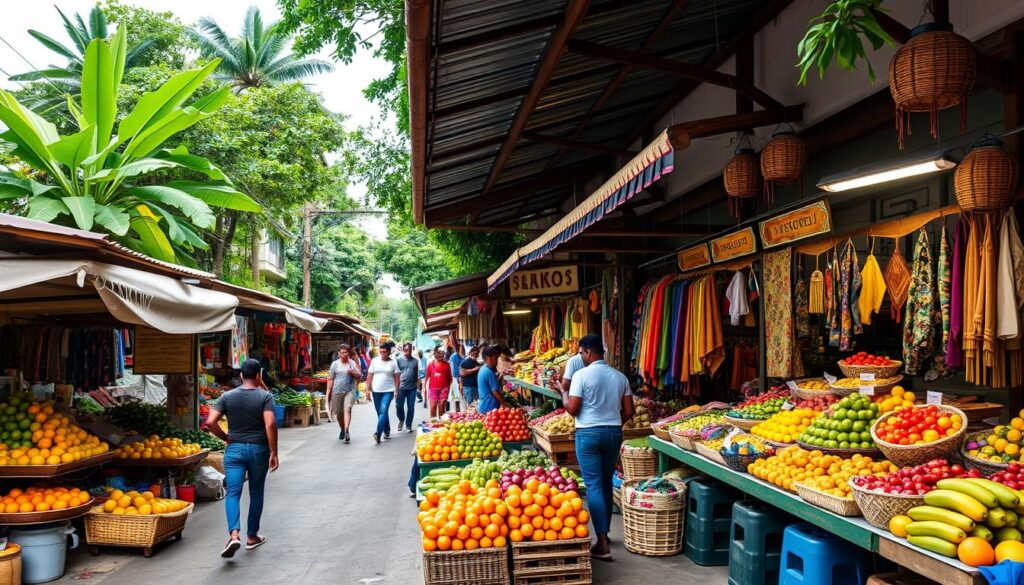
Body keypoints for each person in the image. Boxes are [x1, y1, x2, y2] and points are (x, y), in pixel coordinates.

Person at [558, 334, 634, 561]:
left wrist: (562, 392)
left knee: (593, 485)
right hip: (613, 433)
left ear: (588, 352)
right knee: (606, 483)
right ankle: (606, 534)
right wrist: (612, 424)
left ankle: (602, 542)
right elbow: (629, 411)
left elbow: (572, 409)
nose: (580, 357)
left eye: (581, 353)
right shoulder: (620, 377)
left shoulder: (581, 375)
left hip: (588, 434)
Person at [206, 358, 279, 558]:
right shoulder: (265, 397)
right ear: (258, 375)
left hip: (234, 450)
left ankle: (234, 534)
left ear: (240, 376)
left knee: (233, 493)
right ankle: (252, 537)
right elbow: (270, 424)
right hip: (258, 450)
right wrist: (274, 451)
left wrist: (227, 438)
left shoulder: (227, 396)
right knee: (256, 493)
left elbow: (210, 422)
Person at [325, 344, 362, 443]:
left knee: (348, 408)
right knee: (339, 414)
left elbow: (359, 375)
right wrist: (328, 392)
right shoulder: (335, 364)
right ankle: (342, 428)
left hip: (349, 391)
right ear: (339, 353)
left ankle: (346, 430)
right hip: (337, 392)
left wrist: (353, 373)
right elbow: (330, 378)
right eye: (341, 352)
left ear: (348, 353)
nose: (343, 354)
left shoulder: (352, 363)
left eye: (345, 352)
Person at [366, 342, 401, 444]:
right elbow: (369, 375)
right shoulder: (374, 361)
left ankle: (378, 433)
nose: (382, 354)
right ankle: (387, 430)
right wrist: (367, 389)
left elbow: (397, 376)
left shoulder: (393, 362)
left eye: (384, 352)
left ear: (389, 352)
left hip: (388, 390)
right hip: (376, 391)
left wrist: (396, 390)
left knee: (383, 410)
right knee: (381, 413)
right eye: (380, 351)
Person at [395, 343, 419, 433]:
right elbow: (396, 374)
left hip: (412, 388)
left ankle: (408, 424)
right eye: (404, 350)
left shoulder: (415, 361)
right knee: (399, 406)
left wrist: (418, 386)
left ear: (411, 350)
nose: (406, 352)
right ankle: (401, 419)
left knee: (411, 407)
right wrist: (395, 388)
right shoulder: (398, 360)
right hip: (401, 388)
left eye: (407, 350)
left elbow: (416, 374)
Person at [476, 347, 508, 414]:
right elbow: (495, 391)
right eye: (495, 358)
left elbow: (493, 385)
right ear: (489, 358)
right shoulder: (489, 372)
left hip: (484, 405)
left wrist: (501, 375)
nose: (497, 360)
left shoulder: (483, 368)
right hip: (489, 406)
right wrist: (503, 402)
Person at [425, 347, 453, 418]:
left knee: (442, 408)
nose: (440, 355)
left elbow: (450, 379)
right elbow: (426, 378)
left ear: (444, 354)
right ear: (434, 354)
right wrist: (424, 391)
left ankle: (441, 425)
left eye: (441, 353)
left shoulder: (447, 364)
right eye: (438, 353)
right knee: (433, 407)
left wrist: (448, 391)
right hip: (433, 389)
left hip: (444, 389)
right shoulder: (430, 364)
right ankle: (432, 425)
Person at [448, 344, 464, 412]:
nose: (463, 350)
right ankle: (457, 409)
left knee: (458, 396)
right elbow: (453, 369)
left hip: (458, 378)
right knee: (456, 396)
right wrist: (458, 379)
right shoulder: (455, 357)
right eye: (461, 349)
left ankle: (458, 409)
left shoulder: (459, 356)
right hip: (455, 378)